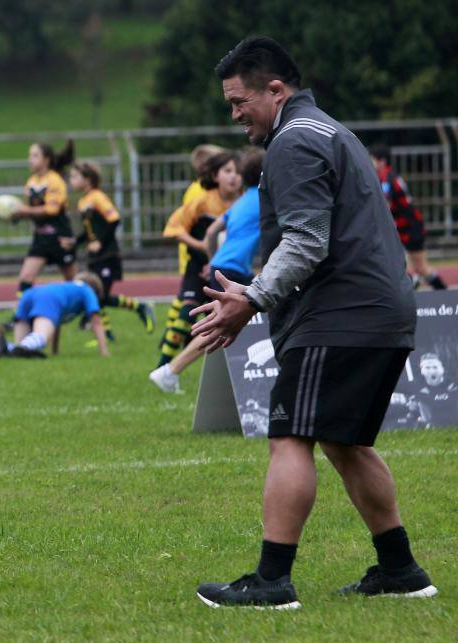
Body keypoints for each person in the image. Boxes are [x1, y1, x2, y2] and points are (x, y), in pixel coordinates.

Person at [190, 36, 436, 609]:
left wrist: (251, 299)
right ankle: (400, 569)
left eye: (239, 101)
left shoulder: (293, 142)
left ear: (274, 90)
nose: (234, 115)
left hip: (338, 316)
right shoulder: (331, 130)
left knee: (289, 437)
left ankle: (272, 580)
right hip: (380, 311)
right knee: (345, 442)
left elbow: (305, 241)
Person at [150, 147, 264, 393]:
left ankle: (171, 371)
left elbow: (213, 232)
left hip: (225, 266)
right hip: (233, 269)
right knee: (223, 322)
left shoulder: (242, 201)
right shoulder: (266, 199)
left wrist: (213, 261)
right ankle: (170, 370)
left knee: (232, 321)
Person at [156, 150, 242, 368]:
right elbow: (174, 228)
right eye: (228, 171)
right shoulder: (202, 200)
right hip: (197, 265)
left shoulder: (245, 203)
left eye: (238, 172)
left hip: (225, 269)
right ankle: (163, 366)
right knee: (187, 311)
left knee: (228, 315)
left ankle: (234, 366)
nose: (234, 176)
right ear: (215, 176)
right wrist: (201, 247)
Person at [69, 161, 155, 340]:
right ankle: (108, 334)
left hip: (108, 254)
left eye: (75, 176)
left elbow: (114, 219)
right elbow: (89, 230)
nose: (71, 180)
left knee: (98, 296)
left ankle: (138, 309)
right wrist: (74, 242)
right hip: (95, 255)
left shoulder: (98, 197)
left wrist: (100, 241)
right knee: (96, 295)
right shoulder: (83, 200)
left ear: (88, 179)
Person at [164, 144, 226, 339]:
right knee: (192, 305)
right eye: (226, 168)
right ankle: (170, 350)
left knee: (198, 306)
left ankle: (173, 340)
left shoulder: (212, 191)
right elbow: (182, 225)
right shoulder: (200, 193)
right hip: (200, 257)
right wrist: (204, 251)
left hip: (210, 256)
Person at [368, 144, 447, 290]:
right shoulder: (387, 175)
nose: (370, 162)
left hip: (410, 227)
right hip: (406, 227)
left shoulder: (386, 176)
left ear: (382, 161)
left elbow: (386, 203)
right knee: (408, 267)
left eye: (372, 159)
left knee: (420, 268)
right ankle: (414, 284)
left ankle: (445, 296)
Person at [0, 272, 110, 359]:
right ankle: (19, 347)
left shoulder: (68, 288)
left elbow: (56, 323)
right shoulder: (87, 290)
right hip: (49, 297)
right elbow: (96, 321)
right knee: (40, 337)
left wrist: (55, 352)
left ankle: (5, 347)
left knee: (19, 349)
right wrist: (104, 351)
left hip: (30, 294)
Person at [11, 141, 77, 300]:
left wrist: (24, 211)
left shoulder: (55, 180)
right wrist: (15, 215)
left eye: (35, 156)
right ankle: (20, 316)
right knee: (26, 277)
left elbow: (51, 210)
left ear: (46, 160)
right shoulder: (32, 182)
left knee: (73, 282)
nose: (30, 160)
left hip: (60, 238)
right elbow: (31, 210)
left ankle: (90, 315)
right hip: (41, 238)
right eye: (29, 156)